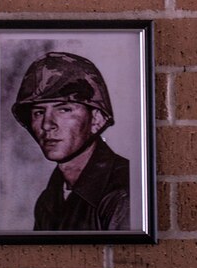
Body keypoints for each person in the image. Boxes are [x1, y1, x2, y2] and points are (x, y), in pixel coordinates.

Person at [11, 51, 130, 231]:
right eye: (39, 112)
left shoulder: (122, 194)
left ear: (96, 119)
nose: (47, 125)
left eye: (64, 110)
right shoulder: (50, 199)